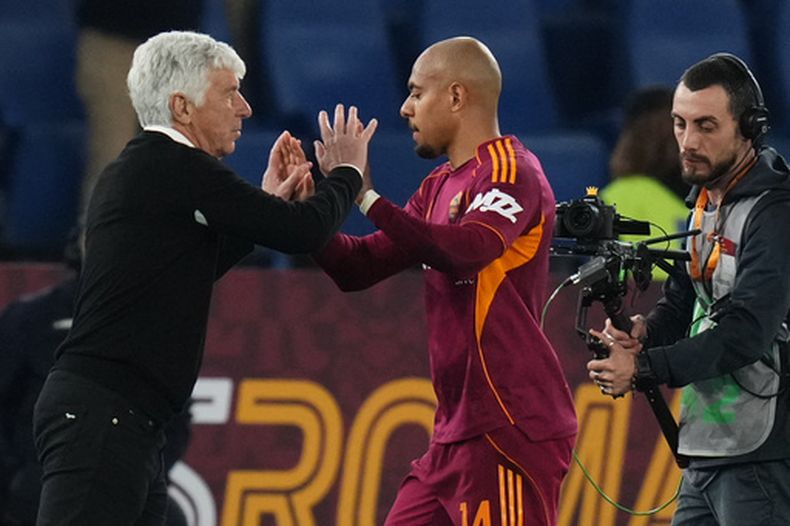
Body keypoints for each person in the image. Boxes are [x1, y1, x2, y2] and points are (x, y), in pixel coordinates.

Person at [32, 30, 376, 525]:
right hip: (106, 416)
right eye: (229, 92)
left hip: (118, 417)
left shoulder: (142, 168)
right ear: (182, 107)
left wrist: (269, 205)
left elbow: (185, 269)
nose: (245, 108)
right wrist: (346, 172)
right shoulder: (176, 167)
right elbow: (305, 231)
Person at [311, 36, 578, 525]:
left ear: (456, 97)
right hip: (456, 433)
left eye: (416, 92)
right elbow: (359, 267)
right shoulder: (438, 185)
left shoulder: (511, 172)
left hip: (509, 425)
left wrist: (367, 198)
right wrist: (303, 214)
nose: (405, 107)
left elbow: (468, 252)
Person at [587, 53, 790, 525]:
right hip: (710, 443)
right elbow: (682, 302)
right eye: (679, 124)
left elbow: (747, 331)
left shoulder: (775, 211)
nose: (688, 142)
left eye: (706, 126)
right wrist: (646, 332)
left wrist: (642, 367)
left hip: (765, 450)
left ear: (750, 129)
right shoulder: (702, 202)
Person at [0, 232, 191, 526]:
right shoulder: (30, 319)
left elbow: (175, 419)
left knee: (171, 518)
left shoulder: (154, 325)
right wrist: (14, 478)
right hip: (37, 480)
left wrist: (147, 478)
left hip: (122, 480)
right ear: (81, 245)